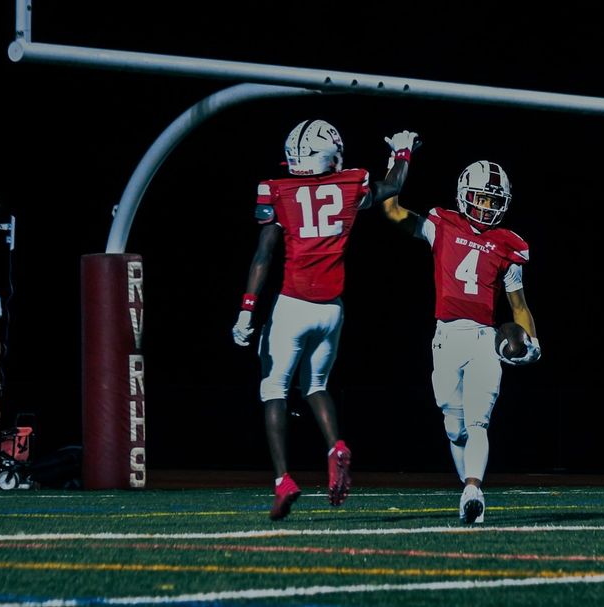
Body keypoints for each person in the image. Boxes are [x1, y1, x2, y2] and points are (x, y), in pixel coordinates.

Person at [232, 119, 414, 520]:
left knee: (273, 388)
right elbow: (393, 186)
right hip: (332, 310)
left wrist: (247, 307)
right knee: (315, 385)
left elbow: (264, 255)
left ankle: (283, 479)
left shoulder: (277, 191)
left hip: (293, 304)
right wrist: (402, 154)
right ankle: (336, 446)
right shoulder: (352, 184)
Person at [381, 135, 541, 524]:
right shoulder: (440, 224)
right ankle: (468, 492)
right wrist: (397, 159)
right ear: (464, 194)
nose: (485, 207)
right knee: (454, 429)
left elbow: (518, 305)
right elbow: (391, 210)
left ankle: (473, 488)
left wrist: (533, 342)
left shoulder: (508, 245)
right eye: (480, 199)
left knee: (477, 421)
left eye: (492, 201)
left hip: (485, 339)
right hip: (446, 337)